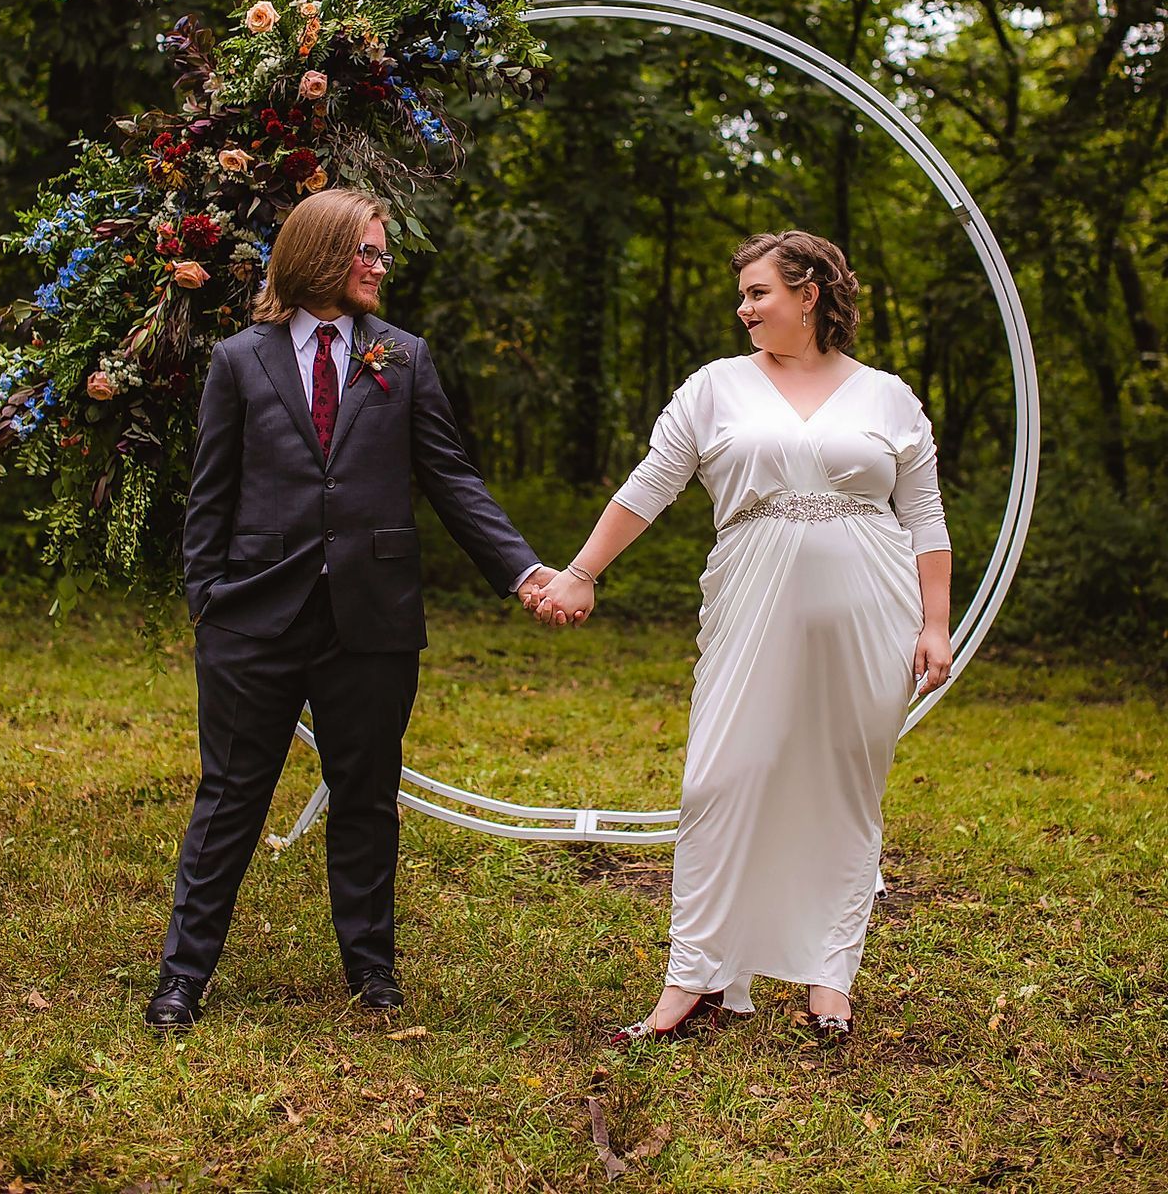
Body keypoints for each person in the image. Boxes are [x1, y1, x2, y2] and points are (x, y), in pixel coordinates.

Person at [528, 229, 953, 1044]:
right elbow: (650, 484)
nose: (743, 306)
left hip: (874, 609)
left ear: (809, 293)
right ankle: (698, 978)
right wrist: (582, 571)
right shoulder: (716, 387)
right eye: (744, 293)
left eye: (758, 292)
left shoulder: (888, 397)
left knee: (843, 788)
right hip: (751, 599)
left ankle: (830, 977)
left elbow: (924, 514)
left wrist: (934, 624)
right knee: (720, 780)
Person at [146, 188, 555, 1031]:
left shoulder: (402, 357)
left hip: (372, 620)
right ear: (322, 255)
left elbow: (451, 479)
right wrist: (208, 607)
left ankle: (372, 973)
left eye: (381, 253)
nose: (381, 265)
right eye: (367, 251)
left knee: (365, 797)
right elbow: (209, 496)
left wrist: (521, 573)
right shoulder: (239, 360)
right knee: (229, 798)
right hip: (252, 619)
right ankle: (183, 978)